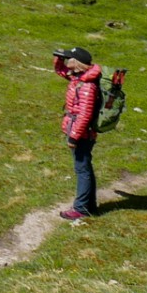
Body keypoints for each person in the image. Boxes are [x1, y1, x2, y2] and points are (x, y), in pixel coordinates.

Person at [53, 47, 101, 219]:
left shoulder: (87, 86)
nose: (67, 61)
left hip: (82, 133)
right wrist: (58, 57)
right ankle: (91, 205)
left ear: (76, 62)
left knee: (82, 170)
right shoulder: (78, 78)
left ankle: (80, 209)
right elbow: (60, 70)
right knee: (85, 167)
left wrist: (74, 136)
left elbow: (85, 114)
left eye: (69, 58)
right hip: (79, 131)